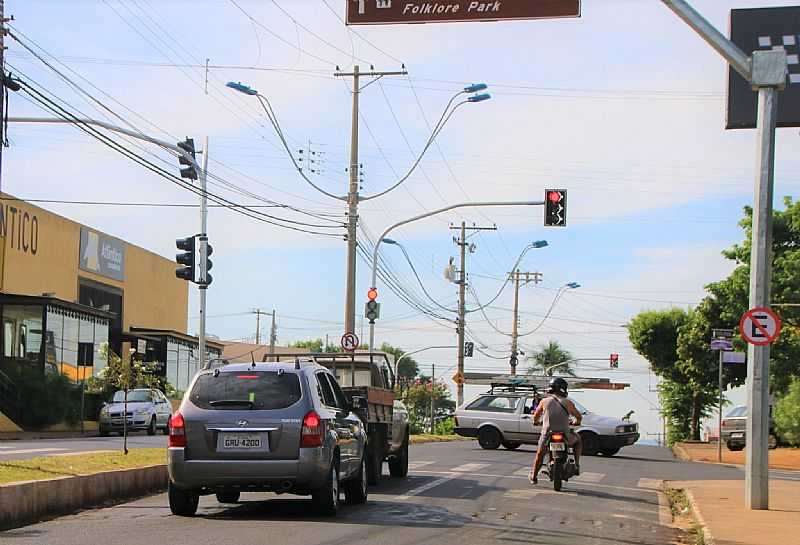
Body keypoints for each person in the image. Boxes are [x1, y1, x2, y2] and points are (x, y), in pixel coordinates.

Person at [529, 377, 583, 484]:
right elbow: (578, 417)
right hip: (565, 435)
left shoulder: (544, 401)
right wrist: (576, 422)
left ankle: (534, 476)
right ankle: (576, 464)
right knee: (579, 440)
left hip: (547, 434)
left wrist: (536, 422)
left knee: (540, 454)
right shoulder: (568, 402)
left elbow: (535, 417)